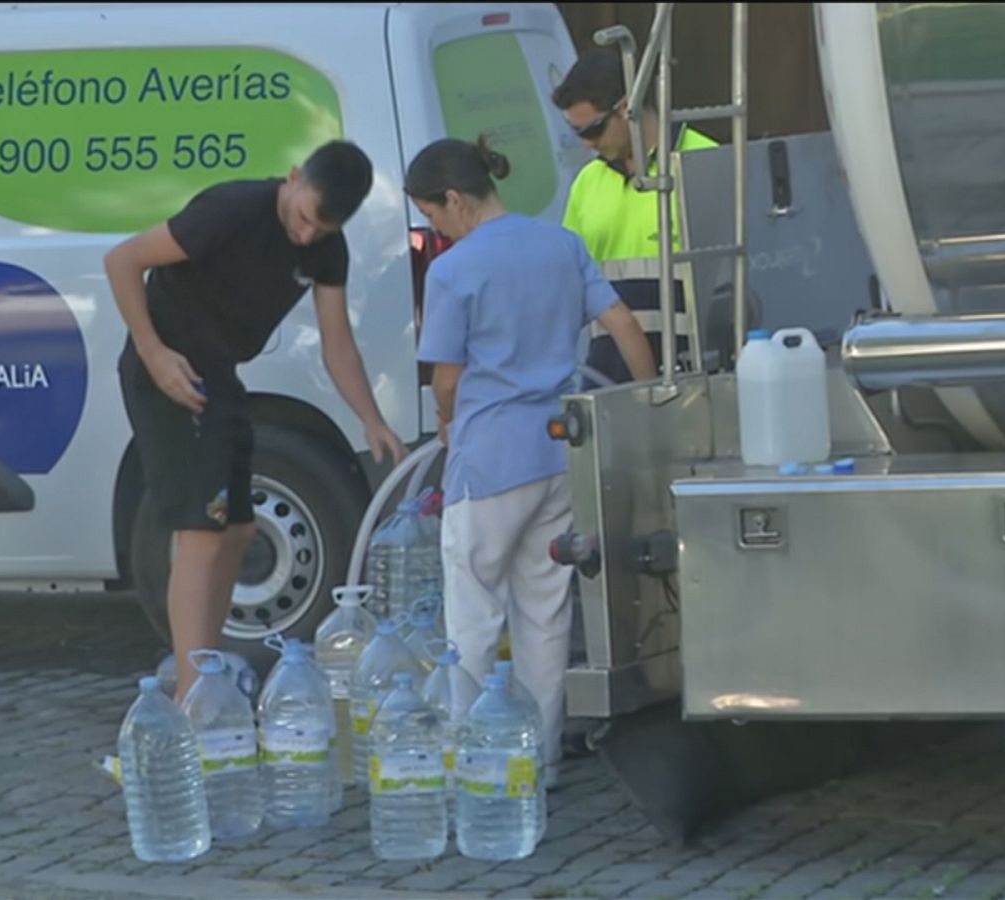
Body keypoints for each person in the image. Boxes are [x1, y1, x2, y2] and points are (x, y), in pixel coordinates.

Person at [104, 140, 406, 702]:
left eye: (322, 228)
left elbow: (337, 346)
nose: (307, 236)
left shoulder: (326, 248)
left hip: (217, 377)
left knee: (237, 529)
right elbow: (122, 260)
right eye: (303, 218)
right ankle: (194, 698)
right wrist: (152, 351)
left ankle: (204, 667)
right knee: (199, 530)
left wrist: (372, 419)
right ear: (292, 179)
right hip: (166, 371)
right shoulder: (231, 210)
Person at [406, 136, 655, 780]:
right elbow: (625, 326)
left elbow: (446, 379)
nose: (436, 230)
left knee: (473, 617)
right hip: (558, 453)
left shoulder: (452, 270)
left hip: (489, 461)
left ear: (455, 200)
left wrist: (445, 422)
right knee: (545, 614)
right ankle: (540, 758)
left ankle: (475, 758)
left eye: (433, 217)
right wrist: (648, 404)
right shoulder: (560, 244)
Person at [552, 49, 719, 385]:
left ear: (626, 107)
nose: (587, 144)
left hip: (696, 373)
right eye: (577, 133)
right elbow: (568, 285)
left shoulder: (706, 163)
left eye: (592, 130)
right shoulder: (587, 182)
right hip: (608, 375)